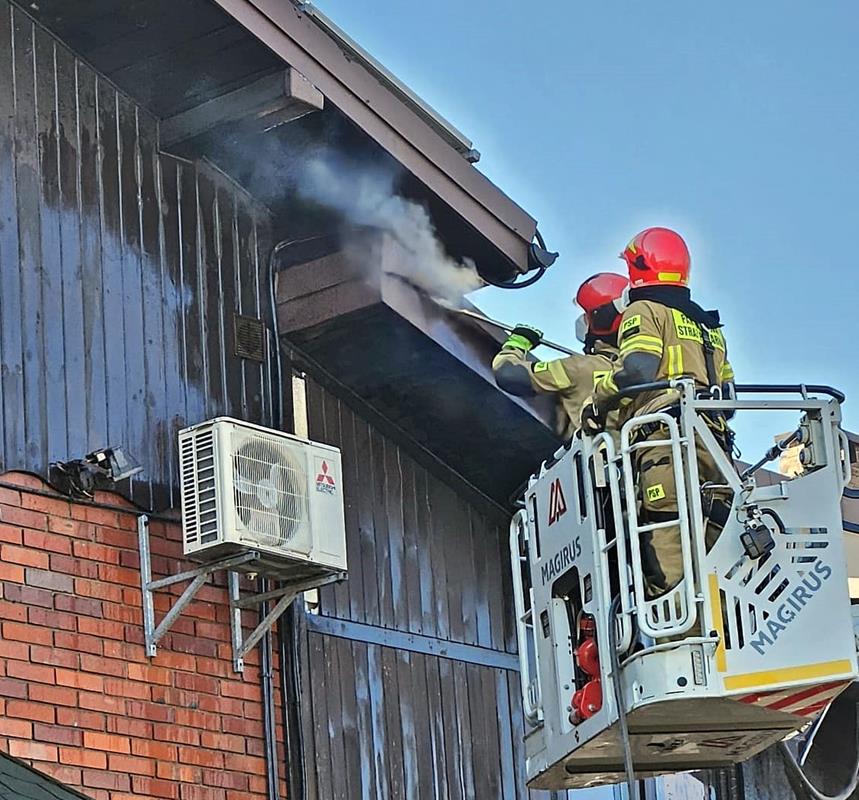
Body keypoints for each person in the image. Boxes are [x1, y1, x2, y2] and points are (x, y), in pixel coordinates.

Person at [588, 227, 735, 600]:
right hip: (714, 446)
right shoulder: (710, 327)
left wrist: (599, 398)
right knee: (717, 545)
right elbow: (729, 403)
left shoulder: (644, 311)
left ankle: (680, 640)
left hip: (664, 443)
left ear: (638, 268)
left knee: (668, 550)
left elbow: (637, 368)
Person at [492, 272, 629, 438]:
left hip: (597, 461)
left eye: (585, 316)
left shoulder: (581, 368)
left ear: (601, 319)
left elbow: (509, 374)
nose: (582, 321)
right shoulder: (649, 369)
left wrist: (517, 345)